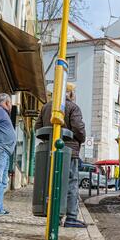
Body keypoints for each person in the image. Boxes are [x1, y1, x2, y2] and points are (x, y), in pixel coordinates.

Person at [35, 83, 86, 228]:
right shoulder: (73, 108)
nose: (74, 95)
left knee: (54, 182)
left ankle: (55, 217)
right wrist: (80, 139)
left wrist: (49, 139)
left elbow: (37, 128)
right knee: (70, 183)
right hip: (69, 151)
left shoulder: (46, 107)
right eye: (73, 92)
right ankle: (71, 217)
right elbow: (78, 128)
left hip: (50, 150)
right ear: (70, 94)